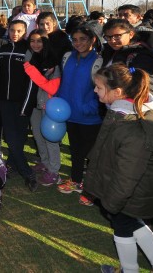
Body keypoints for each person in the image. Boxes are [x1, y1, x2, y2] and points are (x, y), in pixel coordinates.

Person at [88, 64, 153, 273]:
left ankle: (130, 270)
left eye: (99, 88)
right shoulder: (130, 111)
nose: (94, 91)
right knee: (133, 224)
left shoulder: (131, 125)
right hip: (137, 188)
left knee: (123, 228)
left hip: (130, 191)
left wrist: (113, 201)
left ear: (117, 92)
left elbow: (128, 172)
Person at [54, 26, 103, 204]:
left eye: (83, 39)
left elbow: (101, 90)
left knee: (92, 155)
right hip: (69, 115)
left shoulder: (99, 61)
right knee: (75, 151)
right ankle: (76, 181)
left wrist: (87, 108)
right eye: (75, 39)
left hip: (90, 118)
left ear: (92, 40)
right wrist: (58, 102)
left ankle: (91, 191)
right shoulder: (67, 57)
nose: (78, 43)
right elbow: (64, 84)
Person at [0, 20, 36, 191]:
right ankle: (27, 173)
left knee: (18, 138)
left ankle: (11, 165)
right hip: (5, 102)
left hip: (22, 102)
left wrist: (26, 105)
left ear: (25, 32)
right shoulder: (1, 50)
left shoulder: (27, 51)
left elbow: (31, 82)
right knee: (11, 138)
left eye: (19, 31)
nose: (15, 34)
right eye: (12, 30)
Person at [22, 29, 62, 187]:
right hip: (34, 104)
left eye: (39, 41)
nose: (35, 44)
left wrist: (29, 69)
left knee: (50, 138)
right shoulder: (31, 58)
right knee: (38, 136)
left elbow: (51, 88)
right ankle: (45, 163)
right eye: (32, 41)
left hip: (49, 105)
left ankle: (54, 171)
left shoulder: (53, 61)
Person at [101, 19, 153, 95]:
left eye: (117, 36)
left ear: (131, 34)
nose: (112, 41)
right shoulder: (107, 51)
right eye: (108, 37)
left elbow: (145, 89)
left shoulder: (142, 56)